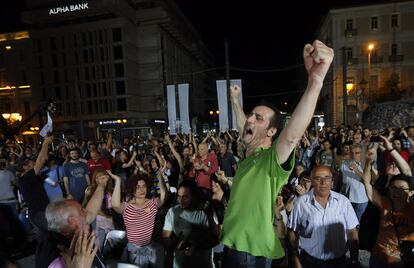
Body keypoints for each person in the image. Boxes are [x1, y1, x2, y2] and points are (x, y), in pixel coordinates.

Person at [221, 40, 334, 267]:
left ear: (272, 132)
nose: (250, 119)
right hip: (234, 246)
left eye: (258, 117)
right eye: (251, 115)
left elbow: (291, 137)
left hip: (247, 253)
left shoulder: (269, 160)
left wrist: (315, 82)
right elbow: (248, 127)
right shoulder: (250, 156)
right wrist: (235, 102)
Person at [18, 136, 108, 268]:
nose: (35, 166)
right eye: (31, 165)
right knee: (57, 233)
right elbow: (41, 160)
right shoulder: (25, 179)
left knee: (60, 230)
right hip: (39, 213)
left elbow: (88, 215)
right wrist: (46, 143)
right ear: (25, 168)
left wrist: (100, 187)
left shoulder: (34, 178)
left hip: (45, 211)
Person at [288, 165, 359, 268]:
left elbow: (352, 232)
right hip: (309, 261)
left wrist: (354, 260)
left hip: (339, 262)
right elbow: (292, 233)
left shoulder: (343, 202)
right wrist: (296, 262)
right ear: (312, 181)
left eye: (327, 178)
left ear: (332, 181)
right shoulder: (301, 203)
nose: (323, 182)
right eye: (318, 178)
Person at [363, 139, 414, 267]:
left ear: (410, 192)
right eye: (393, 189)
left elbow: (407, 173)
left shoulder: (412, 207)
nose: (397, 192)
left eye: (402, 189)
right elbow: (367, 185)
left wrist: (390, 149)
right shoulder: (385, 203)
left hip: (403, 261)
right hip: (379, 258)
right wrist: (368, 163)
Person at [111, 165, 168, 268]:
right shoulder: (127, 207)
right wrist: (118, 181)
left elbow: (164, 197)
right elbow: (115, 205)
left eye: (144, 186)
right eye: (137, 187)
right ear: (131, 189)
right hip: (134, 250)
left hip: (152, 248)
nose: (142, 190)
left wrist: (160, 176)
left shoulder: (152, 203)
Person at [162, 180, 219, 268]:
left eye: (185, 197)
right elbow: (165, 237)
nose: (181, 200)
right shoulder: (172, 212)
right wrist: (176, 243)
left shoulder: (206, 211)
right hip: (180, 264)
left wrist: (197, 246)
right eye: (179, 197)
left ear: (194, 196)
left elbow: (217, 238)